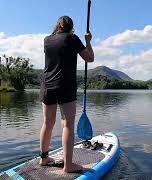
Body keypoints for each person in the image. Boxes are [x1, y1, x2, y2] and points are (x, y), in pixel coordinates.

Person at [39, 15, 94, 173]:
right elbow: (89, 58)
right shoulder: (72, 38)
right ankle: (68, 165)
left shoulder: (46, 40)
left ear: (57, 26)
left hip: (47, 86)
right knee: (67, 124)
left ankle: (43, 158)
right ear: (71, 27)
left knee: (47, 123)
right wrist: (88, 41)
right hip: (65, 86)